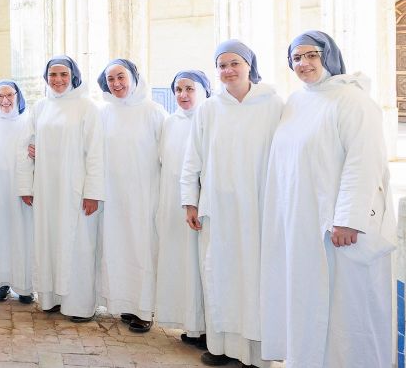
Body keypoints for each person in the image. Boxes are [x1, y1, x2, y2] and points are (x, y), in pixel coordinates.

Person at [261, 31, 395, 368]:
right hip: (301, 223)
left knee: (346, 310)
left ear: (328, 56)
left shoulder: (352, 100)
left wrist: (349, 219)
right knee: (309, 303)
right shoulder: (296, 101)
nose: (303, 64)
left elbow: (364, 161)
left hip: (339, 229)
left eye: (311, 55)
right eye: (296, 58)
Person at [181, 40, 283, 367]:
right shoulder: (210, 108)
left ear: (249, 64)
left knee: (255, 277)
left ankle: (256, 354)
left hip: (259, 207)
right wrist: (190, 202)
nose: (228, 70)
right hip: (219, 209)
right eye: (222, 65)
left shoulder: (273, 104)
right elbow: (192, 158)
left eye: (234, 63)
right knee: (219, 275)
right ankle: (221, 346)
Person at [16, 55, 104, 322]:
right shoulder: (41, 107)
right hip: (46, 187)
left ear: (73, 76)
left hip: (75, 189)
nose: (58, 80)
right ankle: (51, 299)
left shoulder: (87, 107)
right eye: (52, 75)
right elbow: (27, 146)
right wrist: (26, 185)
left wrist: (93, 192)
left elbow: (96, 153)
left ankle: (78, 305)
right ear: (46, 78)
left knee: (78, 244)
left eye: (63, 75)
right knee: (49, 241)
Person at [96, 59, 167, 333]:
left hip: (143, 193)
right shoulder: (105, 113)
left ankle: (144, 309)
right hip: (114, 194)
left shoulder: (153, 111)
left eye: (121, 77)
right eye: (111, 79)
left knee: (142, 248)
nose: (116, 84)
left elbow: (166, 154)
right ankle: (124, 303)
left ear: (134, 77)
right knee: (117, 247)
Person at [154, 70, 210, 349]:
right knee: (180, 265)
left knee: (200, 267)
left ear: (202, 90)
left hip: (199, 206)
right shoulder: (170, 122)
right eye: (178, 89)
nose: (183, 95)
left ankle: (206, 327)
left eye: (189, 89)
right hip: (172, 203)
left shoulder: (210, 118)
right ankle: (189, 323)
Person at [0, 80, 34, 305]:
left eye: (9, 95)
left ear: (18, 96)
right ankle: (0, 284)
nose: (5, 101)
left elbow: (39, 149)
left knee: (23, 236)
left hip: (21, 191)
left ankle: (25, 286)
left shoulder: (28, 121)